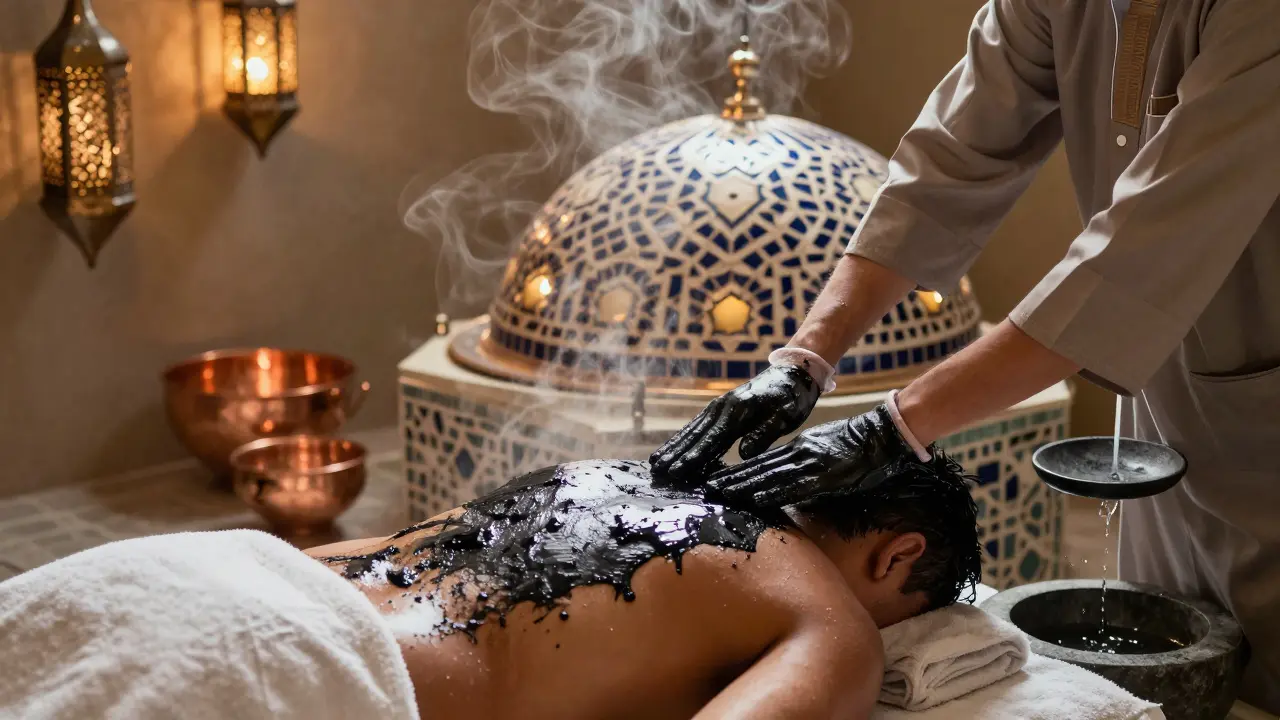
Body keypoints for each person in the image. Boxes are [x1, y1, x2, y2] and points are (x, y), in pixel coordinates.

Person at [650, 0, 1280, 710]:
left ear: (896, 556)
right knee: (1184, 654)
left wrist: (895, 423)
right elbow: (944, 169)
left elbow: (1136, 255)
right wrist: (802, 360)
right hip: (1166, 387)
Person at [304, 455, 981, 719]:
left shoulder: (620, 472)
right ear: (898, 557)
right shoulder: (830, 618)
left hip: (262, 576)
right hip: (335, 689)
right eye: (901, 619)